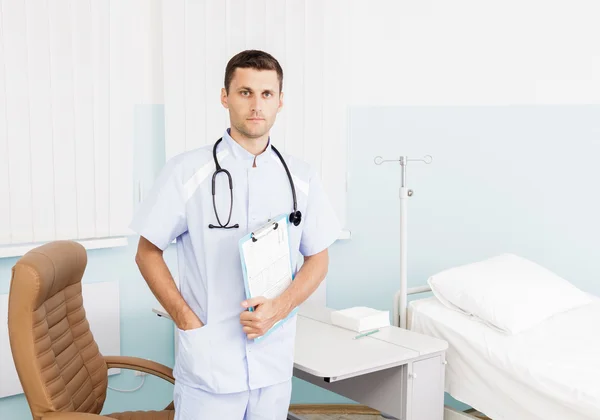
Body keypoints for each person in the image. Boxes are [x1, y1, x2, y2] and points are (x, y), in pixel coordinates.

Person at [130, 50, 341, 420]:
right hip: (209, 362)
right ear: (224, 97)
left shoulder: (302, 178)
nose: (256, 105)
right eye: (245, 93)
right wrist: (184, 317)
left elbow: (318, 258)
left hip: (272, 364)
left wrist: (280, 308)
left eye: (266, 94)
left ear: (280, 101)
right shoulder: (187, 172)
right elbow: (147, 253)